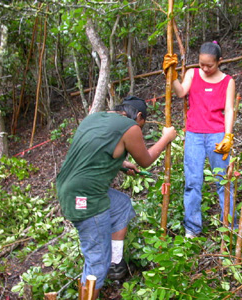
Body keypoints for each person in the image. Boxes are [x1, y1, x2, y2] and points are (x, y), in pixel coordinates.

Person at [56, 96, 177, 299]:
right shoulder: (130, 127)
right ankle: (99, 276)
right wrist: (166, 138)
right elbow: (146, 161)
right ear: (139, 116)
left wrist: (121, 164)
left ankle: (115, 262)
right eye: (142, 124)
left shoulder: (94, 118)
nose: (139, 128)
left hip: (69, 188)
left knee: (121, 205)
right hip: (86, 197)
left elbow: (92, 152)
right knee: (96, 261)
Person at [163, 41, 236, 238]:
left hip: (217, 134)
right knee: (193, 181)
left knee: (223, 180)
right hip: (194, 134)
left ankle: (230, 227)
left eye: (209, 65)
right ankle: (192, 228)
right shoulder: (193, 74)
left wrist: (228, 135)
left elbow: (229, 109)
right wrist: (172, 74)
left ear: (219, 61)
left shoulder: (227, 81)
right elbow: (180, 92)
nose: (205, 68)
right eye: (201, 64)